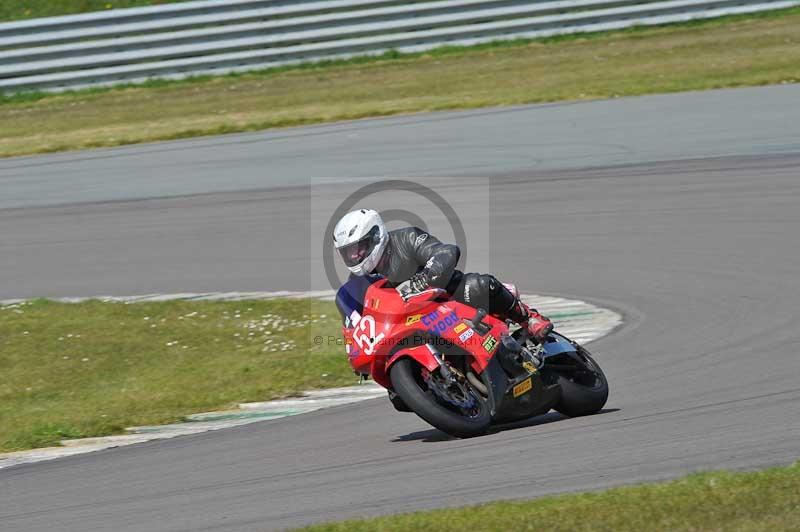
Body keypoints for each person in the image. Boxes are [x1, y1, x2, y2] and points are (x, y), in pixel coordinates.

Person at [332, 208, 553, 342]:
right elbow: (357, 321)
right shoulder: (359, 283)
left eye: (359, 248)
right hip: (411, 323)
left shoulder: (407, 238)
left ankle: (528, 317)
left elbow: (445, 251)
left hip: (447, 296)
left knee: (480, 285)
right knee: (397, 395)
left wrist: (427, 275)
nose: (356, 256)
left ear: (375, 236)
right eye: (348, 253)